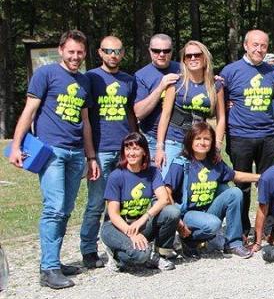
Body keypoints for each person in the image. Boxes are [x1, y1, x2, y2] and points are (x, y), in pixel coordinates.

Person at [8, 30, 100, 289]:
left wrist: (90, 156)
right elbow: (29, 110)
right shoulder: (45, 74)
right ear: (61, 50)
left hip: (75, 152)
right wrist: (16, 145)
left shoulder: (84, 82)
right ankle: (48, 269)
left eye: (80, 52)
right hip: (52, 151)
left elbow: (85, 123)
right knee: (54, 207)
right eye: (71, 51)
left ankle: (53, 262)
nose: (75, 56)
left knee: (66, 209)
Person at [80, 36, 138, 269]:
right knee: (96, 202)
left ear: (123, 53)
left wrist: (136, 142)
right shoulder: (91, 78)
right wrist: (90, 155)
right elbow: (84, 118)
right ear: (100, 53)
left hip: (125, 150)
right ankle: (88, 249)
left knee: (122, 203)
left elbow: (131, 114)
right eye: (108, 51)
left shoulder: (128, 80)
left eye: (117, 51)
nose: (113, 55)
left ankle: (114, 244)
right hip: (101, 150)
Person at [161, 122, 259, 258]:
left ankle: (234, 244)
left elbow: (235, 175)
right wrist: (178, 223)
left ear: (212, 142)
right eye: (198, 138)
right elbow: (167, 191)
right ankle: (189, 240)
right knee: (214, 224)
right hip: (188, 214)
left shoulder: (214, 162)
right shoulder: (181, 162)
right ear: (190, 141)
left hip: (208, 210)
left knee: (235, 193)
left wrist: (260, 177)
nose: (202, 142)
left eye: (207, 139)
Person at [220, 29, 274, 241]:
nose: (259, 49)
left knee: (270, 183)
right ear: (245, 45)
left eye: (263, 45)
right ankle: (243, 230)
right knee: (242, 186)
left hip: (268, 135)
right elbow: (220, 102)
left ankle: (268, 229)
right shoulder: (230, 71)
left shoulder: (273, 72)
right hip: (240, 136)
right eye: (255, 44)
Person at [100, 132, 179, 272]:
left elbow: (163, 199)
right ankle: (117, 254)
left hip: (139, 224)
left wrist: (144, 219)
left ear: (144, 151)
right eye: (128, 148)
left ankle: (159, 254)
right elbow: (113, 214)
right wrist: (131, 233)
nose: (131, 153)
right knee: (140, 255)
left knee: (172, 212)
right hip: (116, 227)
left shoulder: (152, 172)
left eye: (136, 149)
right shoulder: (116, 175)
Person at [154, 40, 225, 171]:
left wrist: (217, 147)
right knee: (169, 182)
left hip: (199, 142)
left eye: (197, 55)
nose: (193, 58)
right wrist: (160, 147)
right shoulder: (176, 82)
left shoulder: (216, 85)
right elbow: (165, 116)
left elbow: (221, 119)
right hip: (174, 139)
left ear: (205, 58)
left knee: (193, 184)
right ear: (184, 60)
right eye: (188, 56)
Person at [133, 34, 180, 156]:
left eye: (166, 51)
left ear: (172, 51)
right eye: (156, 51)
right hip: (152, 139)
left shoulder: (182, 69)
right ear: (149, 51)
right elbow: (139, 113)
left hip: (180, 137)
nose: (162, 54)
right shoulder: (141, 76)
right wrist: (161, 87)